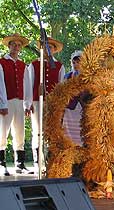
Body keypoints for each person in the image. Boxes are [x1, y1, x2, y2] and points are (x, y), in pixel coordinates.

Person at [24, 37, 65, 173]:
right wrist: (28, 104)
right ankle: (37, 162)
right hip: (37, 101)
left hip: (52, 103)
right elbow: (29, 85)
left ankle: (50, 160)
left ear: (54, 50)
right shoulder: (34, 64)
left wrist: (59, 104)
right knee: (37, 131)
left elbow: (61, 87)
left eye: (51, 47)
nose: (49, 50)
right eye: (46, 47)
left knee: (51, 131)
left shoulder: (59, 66)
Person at [0, 33, 31, 176]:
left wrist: (27, 104)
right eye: (14, 44)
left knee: (19, 131)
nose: (16, 47)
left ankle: (20, 163)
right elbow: (0, 84)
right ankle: (2, 163)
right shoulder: (2, 62)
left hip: (19, 101)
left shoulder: (23, 65)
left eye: (19, 45)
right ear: (9, 45)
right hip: (7, 101)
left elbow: (27, 85)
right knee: (2, 132)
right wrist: (2, 103)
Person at [63, 50, 83, 145]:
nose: (75, 64)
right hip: (69, 108)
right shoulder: (67, 76)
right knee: (68, 132)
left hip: (82, 107)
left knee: (81, 130)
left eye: (78, 62)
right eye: (73, 62)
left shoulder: (87, 76)